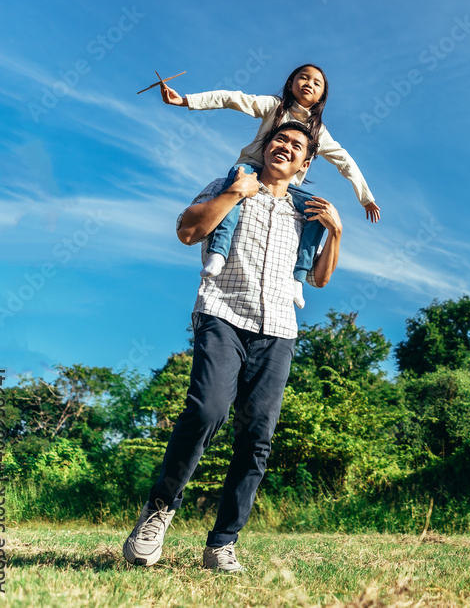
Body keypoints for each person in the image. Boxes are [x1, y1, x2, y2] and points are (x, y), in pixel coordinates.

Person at [122, 121, 342, 573]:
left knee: (257, 434)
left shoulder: (307, 210)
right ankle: (159, 511)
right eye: (279, 139)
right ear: (266, 146)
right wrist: (235, 194)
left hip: (278, 328)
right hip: (222, 312)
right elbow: (187, 232)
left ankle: (222, 542)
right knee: (207, 411)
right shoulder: (229, 182)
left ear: (306, 162)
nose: (284, 146)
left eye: (296, 145)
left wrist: (336, 232)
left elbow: (319, 279)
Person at [158, 63, 377, 309]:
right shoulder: (275, 106)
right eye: (303, 78)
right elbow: (233, 99)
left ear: (321, 97)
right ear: (291, 84)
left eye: (316, 83)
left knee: (317, 211)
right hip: (252, 169)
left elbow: (344, 159)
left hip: (286, 186)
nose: (309, 83)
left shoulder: (318, 131)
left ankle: (298, 277)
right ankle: (218, 252)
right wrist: (186, 100)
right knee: (237, 193)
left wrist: (365, 196)